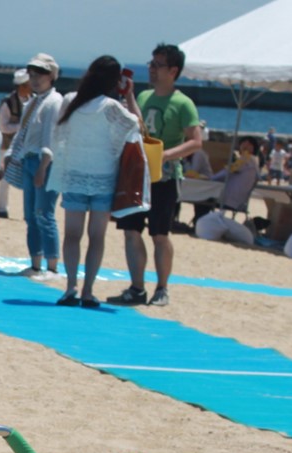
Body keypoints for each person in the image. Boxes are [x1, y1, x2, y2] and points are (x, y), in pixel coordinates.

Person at [108, 43, 201, 308]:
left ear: (173, 71)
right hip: (138, 175)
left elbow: (196, 142)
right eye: (151, 64)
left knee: (160, 234)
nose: (151, 69)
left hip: (166, 177)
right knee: (130, 231)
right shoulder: (146, 97)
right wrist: (129, 96)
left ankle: (162, 288)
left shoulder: (183, 103)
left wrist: (166, 155)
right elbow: (139, 124)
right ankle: (137, 287)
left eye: (157, 65)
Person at [50, 55, 142, 309]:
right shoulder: (111, 107)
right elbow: (136, 125)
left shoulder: (71, 101)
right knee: (96, 237)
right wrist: (130, 95)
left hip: (74, 176)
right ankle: (88, 291)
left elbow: (57, 137)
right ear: (114, 81)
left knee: (72, 235)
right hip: (104, 178)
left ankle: (70, 287)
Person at [7, 52, 63, 279]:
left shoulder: (54, 102)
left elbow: (51, 138)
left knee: (44, 213)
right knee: (31, 215)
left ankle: (51, 266)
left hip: (43, 162)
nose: (35, 77)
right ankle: (36, 263)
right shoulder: (34, 101)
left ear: (51, 75)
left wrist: (43, 166)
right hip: (30, 159)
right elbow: (23, 133)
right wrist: (12, 154)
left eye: (40, 73)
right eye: (32, 73)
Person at [0, 68, 30, 218]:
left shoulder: (32, 100)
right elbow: (3, 126)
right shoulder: (7, 103)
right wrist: (21, 127)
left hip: (25, 146)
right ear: (22, 86)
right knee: (5, 178)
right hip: (6, 144)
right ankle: (2, 209)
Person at [212, 135, 260, 211]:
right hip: (239, 200)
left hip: (230, 200)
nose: (245, 145)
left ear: (253, 148)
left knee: (204, 199)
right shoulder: (254, 161)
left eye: (248, 144)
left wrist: (211, 178)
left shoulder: (247, 158)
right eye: (243, 143)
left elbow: (227, 172)